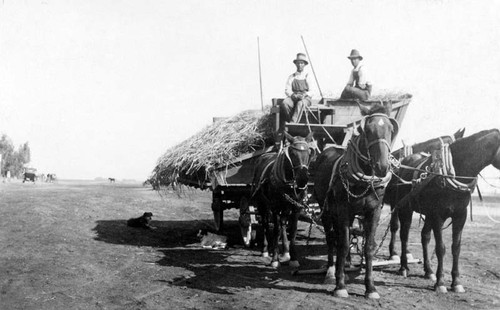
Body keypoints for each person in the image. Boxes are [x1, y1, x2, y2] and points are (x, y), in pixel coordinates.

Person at [279, 53, 314, 130]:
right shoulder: (292, 76)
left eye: (302, 63)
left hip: (305, 98)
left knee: (300, 104)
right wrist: (293, 95)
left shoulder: (308, 76)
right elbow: (287, 89)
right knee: (285, 103)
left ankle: (292, 124)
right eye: (298, 63)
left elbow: (312, 91)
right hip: (294, 97)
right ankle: (290, 120)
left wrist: (304, 95)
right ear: (295, 64)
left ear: (304, 65)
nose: (300, 65)